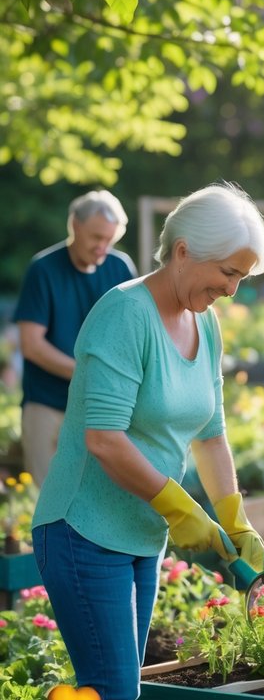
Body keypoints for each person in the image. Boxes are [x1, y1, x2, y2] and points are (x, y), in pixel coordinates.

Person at [31, 183, 264, 700]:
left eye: (241, 278)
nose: (232, 290)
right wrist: (178, 506)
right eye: (228, 273)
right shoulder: (123, 313)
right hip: (82, 527)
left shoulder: (205, 321)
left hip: (139, 533)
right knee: (109, 694)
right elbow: (104, 441)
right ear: (185, 251)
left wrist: (232, 516)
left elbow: (212, 432)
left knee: (118, 693)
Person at [13, 190, 138, 487]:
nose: (102, 247)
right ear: (75, 226)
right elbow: (31, 345)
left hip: (101, 406)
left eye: (109, 239)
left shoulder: (120, 268)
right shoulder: (43, 269)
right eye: (96, 237)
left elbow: (132, 335)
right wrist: (85, 373)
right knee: (45, 499)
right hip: (47, 403)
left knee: (94, 500)